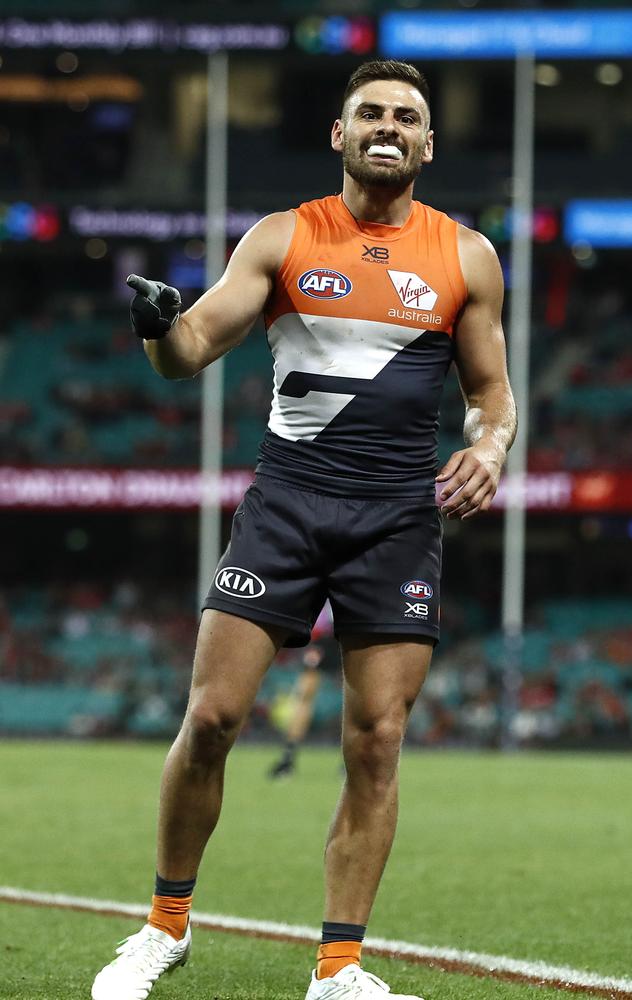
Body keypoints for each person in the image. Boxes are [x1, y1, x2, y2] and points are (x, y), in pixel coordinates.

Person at [91, 59, 516, 1000]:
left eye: (407, 116)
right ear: (340, 133)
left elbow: (493, 395)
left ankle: (339, 968)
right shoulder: (283, 239)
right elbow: (192, 350)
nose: (388, 126)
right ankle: (163, 929)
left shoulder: (468, 256)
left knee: (375, 739)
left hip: (399, 518)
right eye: (371, 111)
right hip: (287, 504)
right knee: (211, 718)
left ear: (428, 143)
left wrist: (491, 449)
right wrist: (161, 328)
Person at [267, 603, 338, 779]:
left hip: (330, 634)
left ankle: (288, 759)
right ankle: (288, 758)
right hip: (337, 634)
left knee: (305, 698)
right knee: (305, 697)